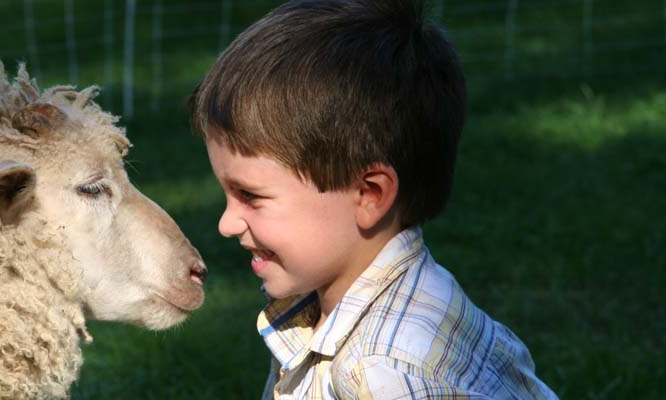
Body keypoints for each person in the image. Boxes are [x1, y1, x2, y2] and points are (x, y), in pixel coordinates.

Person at [188, 0, 557, 398]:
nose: (226, 224)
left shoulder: (384, 375)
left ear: (369, 195)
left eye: (250, 195)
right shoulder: (340, 298)